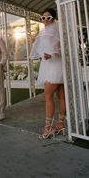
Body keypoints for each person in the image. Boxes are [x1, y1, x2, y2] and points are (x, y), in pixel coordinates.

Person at [30, 8, 66, 138]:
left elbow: (57, 47)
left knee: (48, 96)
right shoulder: (44, 31)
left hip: (53, 65)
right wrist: (35, 40)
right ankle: (61, 124)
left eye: (48, 17)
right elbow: (41, 46)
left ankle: (48, 129)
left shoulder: (55, 30)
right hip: (50, 64)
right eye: (43, 17)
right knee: (61, 95)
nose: (45, 19)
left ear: (54, 18)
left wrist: (50, 54)